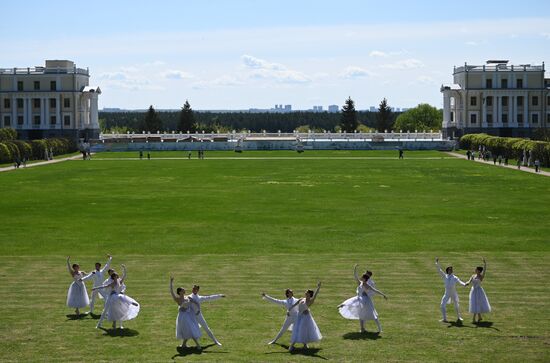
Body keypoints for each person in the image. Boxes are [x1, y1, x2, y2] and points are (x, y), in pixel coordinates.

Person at [338, 265, 387, 333]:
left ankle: (380, 329)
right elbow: (355, 276)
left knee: (373, 315)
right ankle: (362, 329)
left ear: (365, 279)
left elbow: (375, 290)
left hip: (366, 300)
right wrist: (355, 268)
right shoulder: (360, 283)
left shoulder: (367, 285)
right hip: (360, 299)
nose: (361, 277)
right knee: (359, 311)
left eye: (362, 277)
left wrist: (383, 295)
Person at [93, 265, 139, 330]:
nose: (117, 277)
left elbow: (124, 276)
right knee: (105, 310)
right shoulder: (111, 282)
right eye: (116, 276)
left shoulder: (118, 281)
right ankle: (99, 324)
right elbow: (104, 286)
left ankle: (120, 324)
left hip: (117, 296)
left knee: (119, 309)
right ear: (113, 276)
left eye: (117, 276)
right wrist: (95, 288)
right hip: (111, 297)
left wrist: (124, 268)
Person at [289, 282, 322, 351]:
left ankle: (304, 344)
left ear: (310, 294)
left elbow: (315, 295)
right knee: (296, 330)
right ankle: (292, 345)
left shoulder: (310, 301)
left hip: (305, 318)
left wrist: (318, 287)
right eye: (306, 292)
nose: (305, 293)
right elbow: (296, 303)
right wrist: (290, 308)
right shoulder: (302, 299)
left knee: (303, 330)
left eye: (307, 292)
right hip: (299, 316)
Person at [170, 276, 201, 349]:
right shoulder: (177, 299)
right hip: (182, 317)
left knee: (189, 329)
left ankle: (184, 344)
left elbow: (195, 303)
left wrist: (198, 309)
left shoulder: (187, 297)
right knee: (190, 329)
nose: (185, 290)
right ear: (180, 292)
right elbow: (171, 291)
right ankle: (198, 345)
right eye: (183, 290)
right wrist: (171, 282)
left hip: (188, 316)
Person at [435, 258, 467, 322]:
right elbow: (439, 270)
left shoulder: (455, 277)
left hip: (453, 293)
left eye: (451, 269)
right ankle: (444, 319)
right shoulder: (444, 276)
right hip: (446, 293)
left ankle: (459, 317)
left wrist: (464, 284)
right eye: (449, 270)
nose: (451, 270)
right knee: (442, 305)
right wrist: (437, 263)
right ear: (447, 270)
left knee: (456, 305)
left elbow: (460, 281)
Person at [465, 258, 491, 323]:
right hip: (473, 291)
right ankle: (479, 317)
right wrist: (467, 283)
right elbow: (469, 281)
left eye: (476, 269)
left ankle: (474, 319)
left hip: (479, 291)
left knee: (477, 303)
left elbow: (484, 271)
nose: (475, 270)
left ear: (479, 271)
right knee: (474, 304)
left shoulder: (481, 277)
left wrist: (485, 264)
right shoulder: (473, 276)